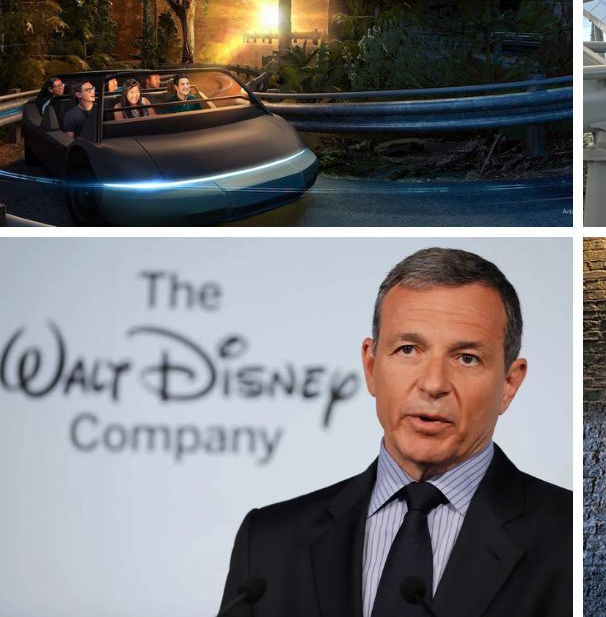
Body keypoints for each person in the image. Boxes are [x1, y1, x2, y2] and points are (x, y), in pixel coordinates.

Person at [219, 248, 571, 617]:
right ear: (371, 367)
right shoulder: (268, 542)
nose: (433, 384)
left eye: (466, 358)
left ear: (509, 383)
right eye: (408, 350)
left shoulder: (567, 534)